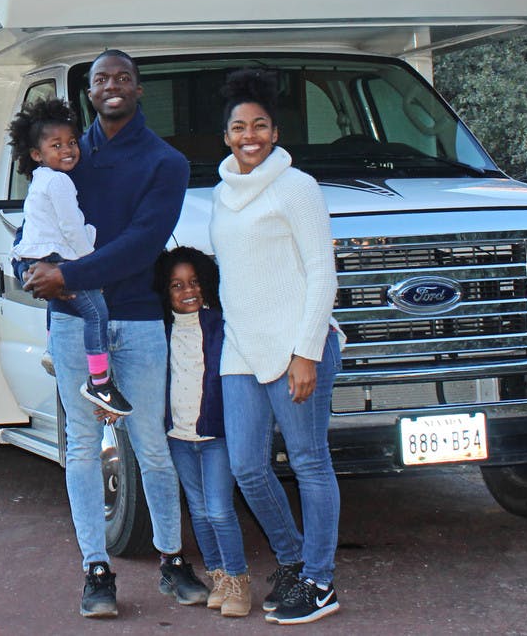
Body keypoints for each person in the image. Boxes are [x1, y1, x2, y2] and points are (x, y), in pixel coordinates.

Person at [23, 50, 208, 619]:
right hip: (74, 324)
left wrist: (67, 274)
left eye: (122, 78)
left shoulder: (165, 162)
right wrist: (26, 270)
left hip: (139, 320)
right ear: (90, 91)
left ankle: (172, 561)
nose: (112, 86)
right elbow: (37, 224)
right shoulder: (67, 156)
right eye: (101, 79)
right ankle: (96, 571)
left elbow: (142, 245)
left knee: (152, 445)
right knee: (81, 446)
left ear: (139, 88)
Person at [210, 68, 344, 626]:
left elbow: (322, 271)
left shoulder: (297, 187)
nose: (250, 136)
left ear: (275, 131)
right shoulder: (220, 193)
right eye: (239, 127)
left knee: (310, 463)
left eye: (260, 125)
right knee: (246, 467)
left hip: (296, 348)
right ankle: (292, 559)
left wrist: (306, 350)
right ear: (225, 136)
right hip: (241, 350)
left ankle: (319, 580)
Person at [8, 96, 131, 417]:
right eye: (56, 145)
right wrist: (93, 267)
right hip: (54, 259)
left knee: (58, 302)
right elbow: (72, 228)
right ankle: (100, 382)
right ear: (37, 154)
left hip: (33, 257)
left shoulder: (40, 180)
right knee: (96, 314)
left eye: (72, 142)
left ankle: (52, 350)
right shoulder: (60, 181)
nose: (67, 150)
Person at [154, 246, 251, 618]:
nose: (187, 291)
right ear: (165, 292)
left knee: (219, 510)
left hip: (215, 435)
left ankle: (238, 579)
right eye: (176, 285)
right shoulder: (162, 332)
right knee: (197, 509)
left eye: (194, 282)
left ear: (208, 284)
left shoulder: (220, 326)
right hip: (179, 436)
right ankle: (219, 577)